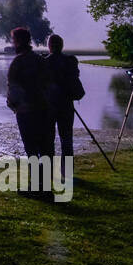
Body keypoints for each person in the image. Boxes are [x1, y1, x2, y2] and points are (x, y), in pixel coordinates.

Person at [7, 26, 53, 186]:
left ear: (18, 42)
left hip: (26, 111)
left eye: (13, 40)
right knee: (45, 147)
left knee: (31, 149)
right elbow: (48, 84)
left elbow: (13, 88)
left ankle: (36, 185)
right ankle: (45, 186)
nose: (12, 44)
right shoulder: (40, 60)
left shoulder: (18, 63)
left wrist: (13, 105)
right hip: (43, 109)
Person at [44, 33, 84, 171]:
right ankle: (67, 171)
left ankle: (47, 170)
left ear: (49, 46)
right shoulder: (71, 61)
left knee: (48, 140)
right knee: (66, 138)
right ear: (62, 46)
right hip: (66, 104)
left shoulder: (44, 62)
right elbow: (75, 76)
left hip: (49, 106)